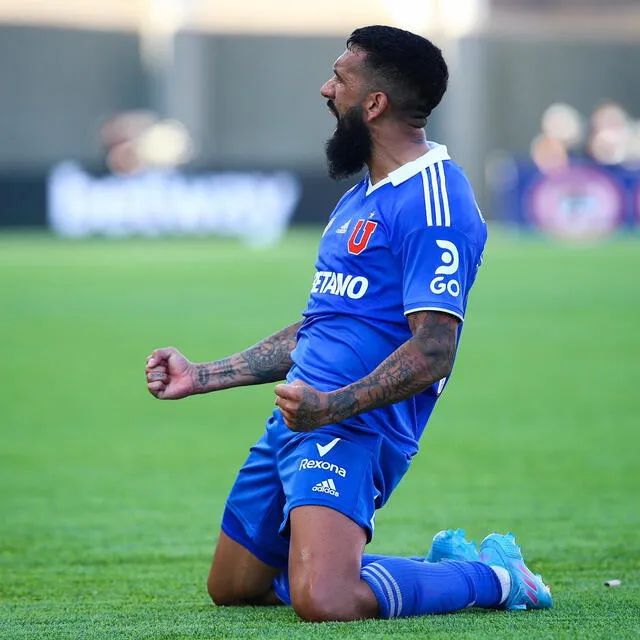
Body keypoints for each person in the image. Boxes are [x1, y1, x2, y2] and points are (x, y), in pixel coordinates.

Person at [145, 25, 552, 622]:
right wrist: (202, 375)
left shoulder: (436, 200)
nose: (324, 88)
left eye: (339, 77)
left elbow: (435, 351)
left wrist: (331, 409)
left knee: (326, 601)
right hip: (299, 418)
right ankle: (327, 562)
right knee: (232, 587)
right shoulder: (361, 196)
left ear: (375, 103)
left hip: (357, 426)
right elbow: (322, 326)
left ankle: (491, 577)